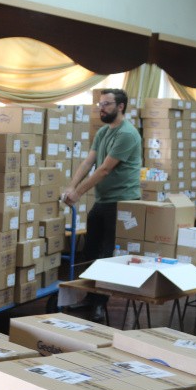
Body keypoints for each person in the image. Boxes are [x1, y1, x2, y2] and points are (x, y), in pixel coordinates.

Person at [62, 88, 142, 322]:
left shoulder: (127, 134)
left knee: (107, 254)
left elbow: (105, 169)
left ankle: (100, 304)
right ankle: (90, 296)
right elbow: (89, 161)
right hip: (103, 200)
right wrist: (71, 186)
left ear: (120, 107)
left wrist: (78, 193)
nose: (101, 109)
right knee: (90, 251)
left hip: (122, 201)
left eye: (106, 104)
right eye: (100, 104)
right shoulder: (103, 132)